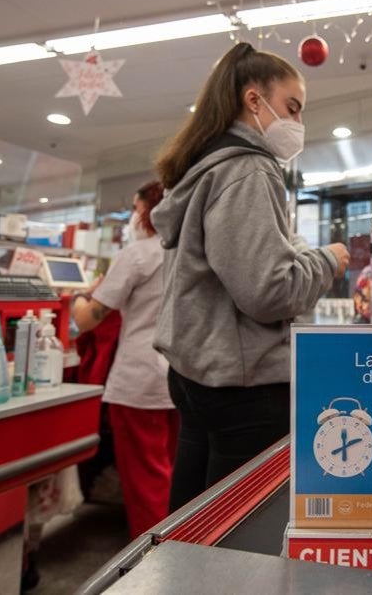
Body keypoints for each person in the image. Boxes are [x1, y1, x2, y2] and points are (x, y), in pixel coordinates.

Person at [151, 42, 350, 511]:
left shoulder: (203, 170)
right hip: (245, 388)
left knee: (192, 520)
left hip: (197, 374)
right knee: (238, 536)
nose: (298, 125)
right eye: (292, 108)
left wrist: (301, 252)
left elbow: (254, 258)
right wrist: (329, 261)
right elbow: (267, 291)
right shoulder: (248, 170)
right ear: (253, 99)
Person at [72, 181, 178, 537]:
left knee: (146, 482)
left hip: (140, 382)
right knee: (177, 475)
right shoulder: (194, 252)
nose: (134, 217)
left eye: (135, 208)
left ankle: (153, 566)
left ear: (150, 210)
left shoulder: (138, 254)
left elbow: (88, 318)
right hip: (184, 379)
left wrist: (80, 297)